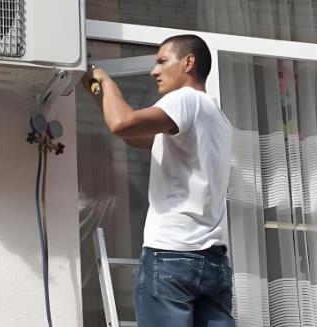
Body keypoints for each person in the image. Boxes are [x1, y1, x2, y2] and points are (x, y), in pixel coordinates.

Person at [82, 34, 235, 327]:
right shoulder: (217, 118)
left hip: (172, 255)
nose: (154, 71)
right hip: (213, 263)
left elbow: (121, 123)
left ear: (188, 63)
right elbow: (132, 136)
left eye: (162, 61)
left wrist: (105, 79)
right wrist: (93, 88)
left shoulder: (184, 99)